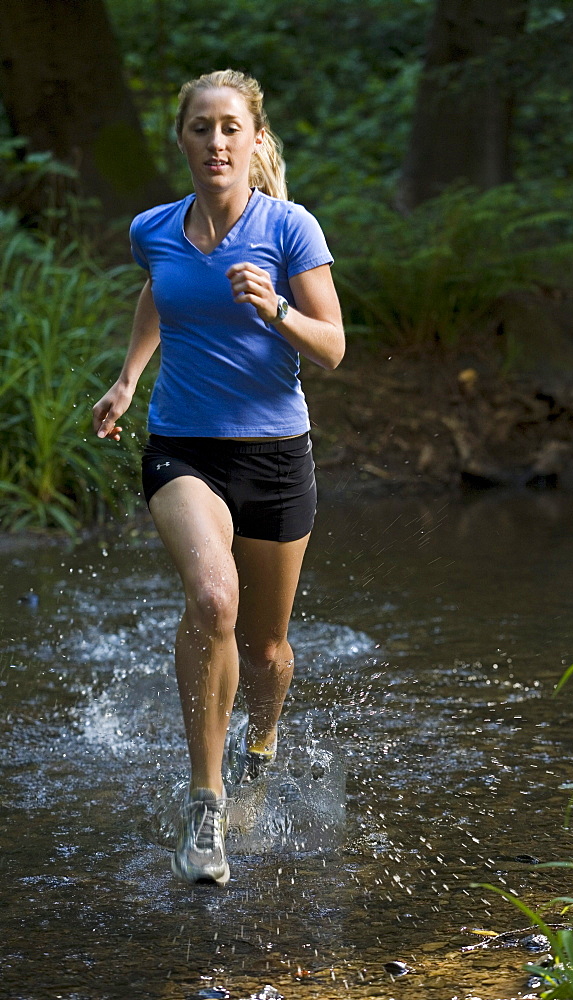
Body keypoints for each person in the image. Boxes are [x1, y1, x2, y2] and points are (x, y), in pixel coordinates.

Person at [92, 69, 344, 886]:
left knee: (267, 648)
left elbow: (334, 347)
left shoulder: (290, 229)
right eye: (201, 128)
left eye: (230, 127)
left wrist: (275, 307)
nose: (216, 142)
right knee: (212, 599)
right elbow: (158, 294)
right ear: (183, 141)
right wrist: (130, 376)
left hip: (275, 454)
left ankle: (260, 754)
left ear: (255, 139)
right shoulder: (154, 229)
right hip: (183, 448)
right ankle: (205, 804)